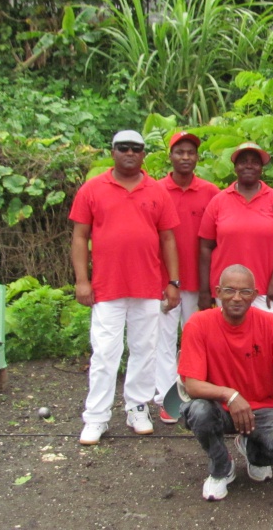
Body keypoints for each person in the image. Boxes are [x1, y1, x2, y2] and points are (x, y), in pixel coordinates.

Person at [178, 265, 273, 501]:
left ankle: (253, 452)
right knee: (198, 410)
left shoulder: (270, 324)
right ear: (217, 291)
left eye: (245, 292)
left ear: (255, 293)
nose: (236, 298)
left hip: (261, 410)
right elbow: (193, 385)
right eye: (229, 290)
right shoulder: (198, 324)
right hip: (218, 408)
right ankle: (220, 468)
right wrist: (231, 395)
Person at [70, 130, 181, 445]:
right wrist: (81, 280)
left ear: (144, 153)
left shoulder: (157, 191)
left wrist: (173, 282)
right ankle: (96, 417)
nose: (130, 153)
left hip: (148, 286)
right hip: (106, 287)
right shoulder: (93, 189)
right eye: (123, 148)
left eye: (136, 148)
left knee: (145, 351)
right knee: (105, 352)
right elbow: (80, 237)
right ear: (113, 151)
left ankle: (137, 407)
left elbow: (168, 239)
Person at [198, 141, 273, 411]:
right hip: (228, 294)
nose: (248, 166)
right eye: (243, 161)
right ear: (235, 166)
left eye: (254, 161)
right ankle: (230, 407)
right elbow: (206, 246)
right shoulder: (219, 201)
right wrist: (206, 290)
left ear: (262, 167)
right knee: (228, 352)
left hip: (267, 293)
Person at [154, 131, 219, 424]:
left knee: (195, 341)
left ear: (197, 157)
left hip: (199, 281)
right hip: (163, 280)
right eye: (179, 152)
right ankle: (166, 399)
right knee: (164, 340)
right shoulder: (155, 190)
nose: (185, 157)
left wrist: (210, 286)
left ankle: (194, 393)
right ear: (170, 155)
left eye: (191, 152)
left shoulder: (210, 192)